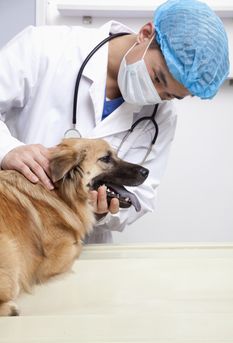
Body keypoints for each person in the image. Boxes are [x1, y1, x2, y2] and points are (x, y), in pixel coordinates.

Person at [0, 0, 229, 243]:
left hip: (77, 247)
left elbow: (142, 196)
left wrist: (103, 211)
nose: (156, 93)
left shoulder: (161, 117)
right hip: (12, 229)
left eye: (170, 94)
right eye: (157, 77)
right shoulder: (45, 47)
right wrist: (7, 149)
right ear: (145, 34)